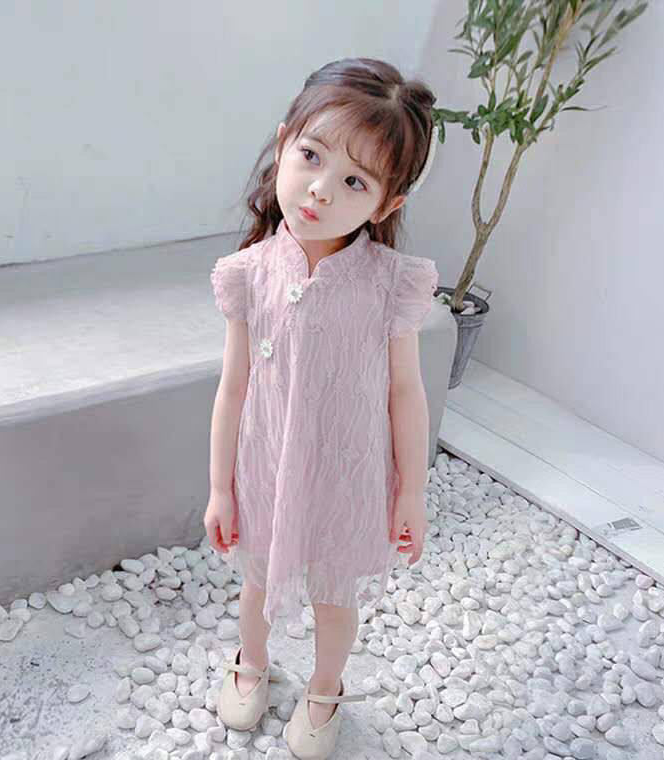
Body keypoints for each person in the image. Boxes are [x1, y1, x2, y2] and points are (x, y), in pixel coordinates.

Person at [205, 57, 440, 759]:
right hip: (265, 468)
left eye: (355, 182)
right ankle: (251, 663)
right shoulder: (248, 274)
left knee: (336, 597)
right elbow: (233, 386)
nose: (320, 190)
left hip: (347, 473)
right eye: (311, 156)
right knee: (256, 583)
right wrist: (220, 487)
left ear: (387, 204)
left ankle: (326, 688)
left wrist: (412, 490)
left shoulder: (390, 284)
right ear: (284, 143)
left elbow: (405, 390)